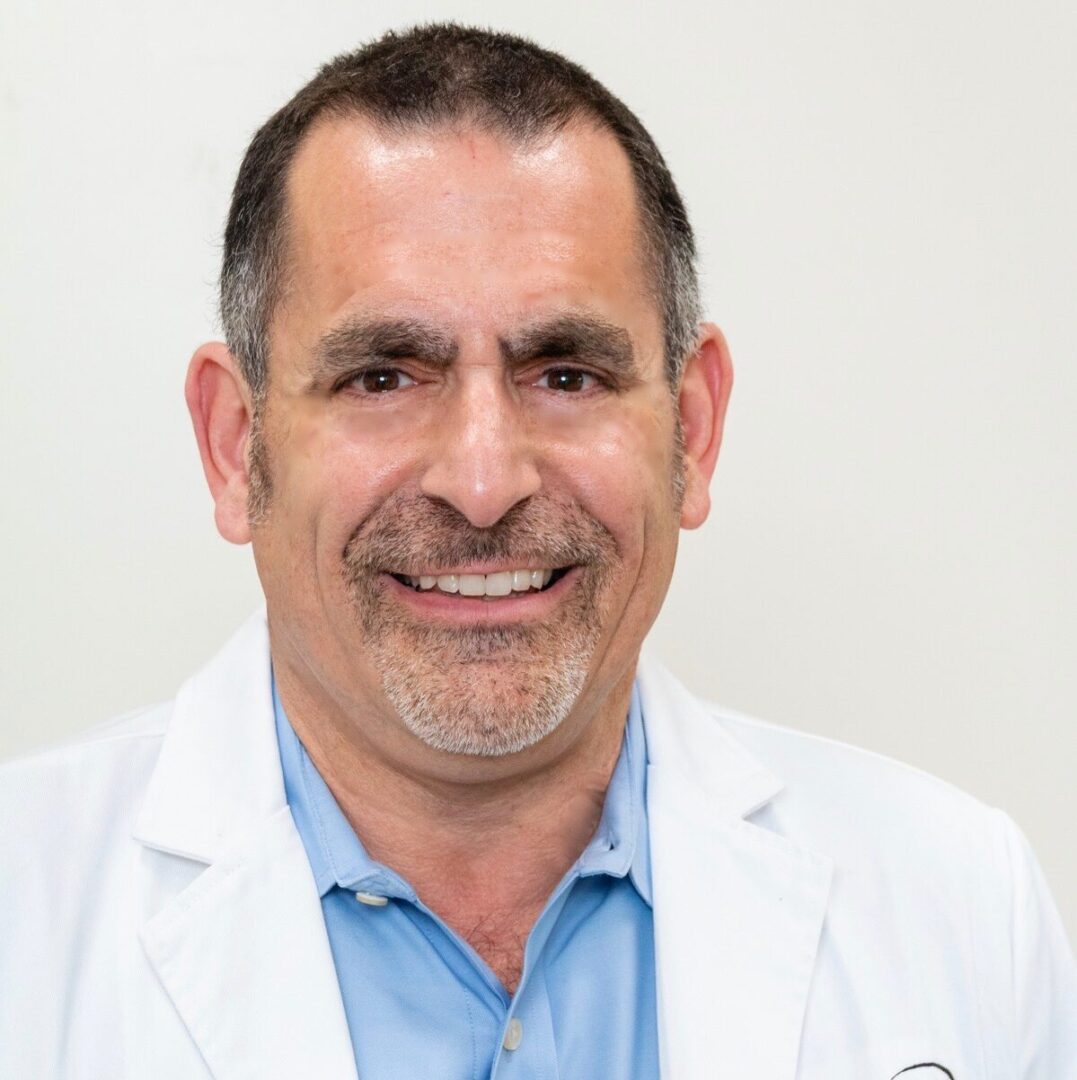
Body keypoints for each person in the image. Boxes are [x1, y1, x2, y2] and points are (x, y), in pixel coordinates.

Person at [1, 22, 1073, 1080]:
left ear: (690, 433)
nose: (481, 482)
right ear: (236, 447)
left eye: (566, 374)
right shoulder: (26, 922)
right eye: (383, 376)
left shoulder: (964, 914)